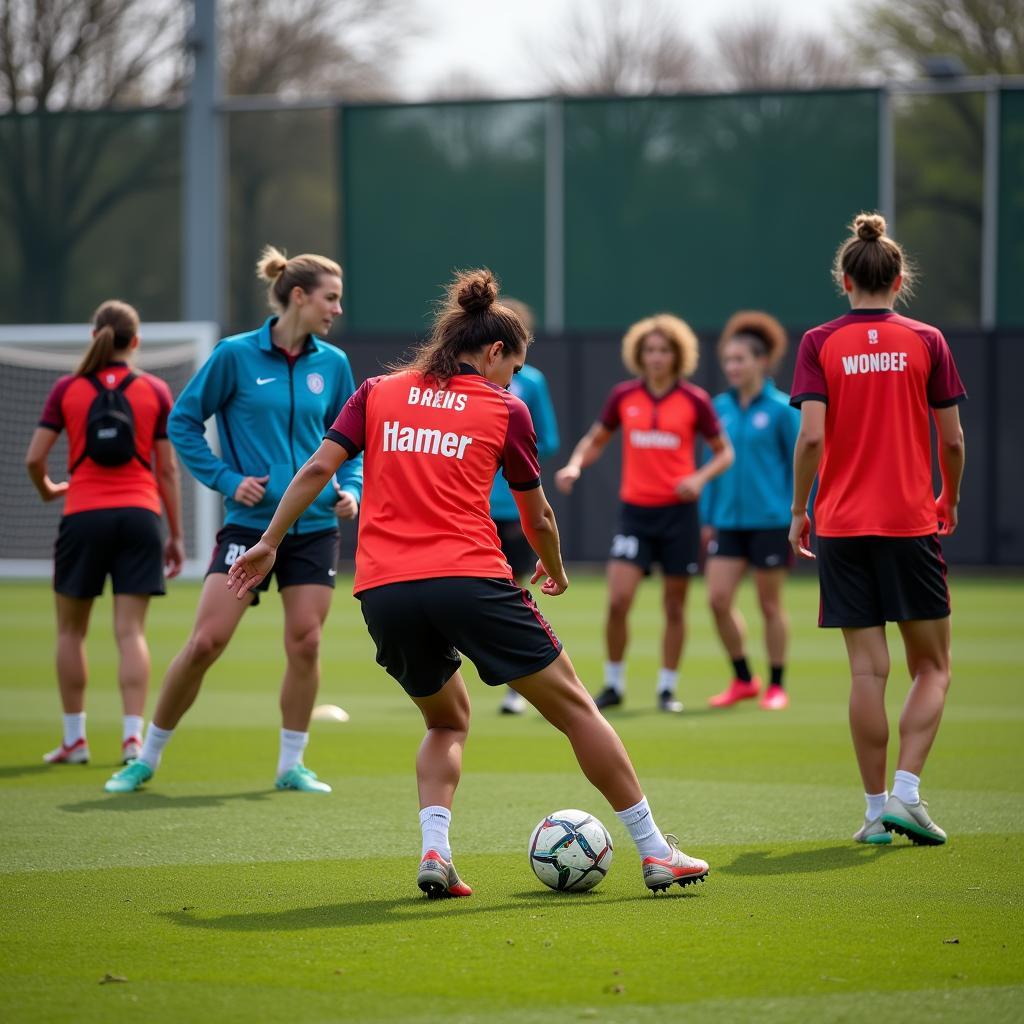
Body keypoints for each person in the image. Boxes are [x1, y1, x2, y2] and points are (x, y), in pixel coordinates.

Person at [227, 269, 709, 897]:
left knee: (446, 722)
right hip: (470, 580)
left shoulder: (377, 391)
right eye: (513, 365)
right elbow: (536, 515)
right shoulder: (506, 408)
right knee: (577, 711)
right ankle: (654, 851)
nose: (512, 378)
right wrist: (555, 571)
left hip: (384, 593)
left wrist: (268, 540)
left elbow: (320, 466)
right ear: (492, 352)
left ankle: (436, 853)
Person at [104, 247, 363, 795]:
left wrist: (352, 490)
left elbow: (353, 444)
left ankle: (292, 765)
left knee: (307, 643)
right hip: (248, 527)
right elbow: (183, 423)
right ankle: (145, 758)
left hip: (315, 527)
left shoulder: (333, 364)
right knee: (206, 643)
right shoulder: (234, 355)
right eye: (331, 298)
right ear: (299, 296)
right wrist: (226, 479)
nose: (337, 310)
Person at [789, 213, 966, 847]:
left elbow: (810, 435)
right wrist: (948, 496)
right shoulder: (927, 339)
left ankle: (873, 816)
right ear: (899, 279)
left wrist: (799, 509)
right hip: (907, 523)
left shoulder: (818, 342)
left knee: (868, 674)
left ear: (845, 279)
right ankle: (908, 795)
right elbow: (951, 437)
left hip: (840, 525)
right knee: (933, 668)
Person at [25, 300, 184, 766]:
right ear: (134, 342)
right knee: (130, 631)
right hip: (139, 516)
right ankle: (132, 739)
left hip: (83, 515)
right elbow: (167, 470)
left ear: (94, 334)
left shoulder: (67, 389)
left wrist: (50, 489)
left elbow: (35, 458)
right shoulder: (154, 389)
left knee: (70, 632)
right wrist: (174, 534)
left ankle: (75, 739)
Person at [555, 315, 733, 713]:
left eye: (664, 350)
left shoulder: (695, 401)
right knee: (618, 600)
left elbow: (725, 453)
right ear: (639, 354)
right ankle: (614, 684)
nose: (656, 357)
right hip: (635, 514)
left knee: (674, 605)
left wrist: (699, 478)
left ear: (677, 355)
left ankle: (667, 689)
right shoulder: (623, 397)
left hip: (679, 516)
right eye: (650, 350)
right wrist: (575, 465)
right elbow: (595, 440)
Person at [702, 311, 800, 712]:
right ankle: (744, 678)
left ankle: (777, 685)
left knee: (769, 604)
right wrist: (707, 517)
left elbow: (801, 463)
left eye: (740, 359)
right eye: (728, 360)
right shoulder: (717, 408)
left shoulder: (781, 409)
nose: (733, 367)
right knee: (717, 599)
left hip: (771, 521)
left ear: (761, 362)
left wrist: (799, 512)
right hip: (727, 521)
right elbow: (707, 465)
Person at [489, 299, 560, 715]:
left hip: (511, 504)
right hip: (471, 505)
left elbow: (545, 438)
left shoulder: (529, 382)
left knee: (513, 591)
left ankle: (518, 685)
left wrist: (507, 448)